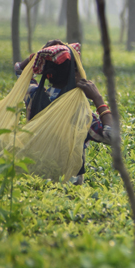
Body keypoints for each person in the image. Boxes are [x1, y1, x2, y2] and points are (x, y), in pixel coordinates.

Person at [14, 40, 113, 184]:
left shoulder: (33, 95)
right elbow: (110, 137)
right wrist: (98, 100)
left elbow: (19, 70)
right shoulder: (80, 112)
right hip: (68, 183)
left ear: (47, 74)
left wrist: (40, 54)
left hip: (34, 176)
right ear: (74, 75)